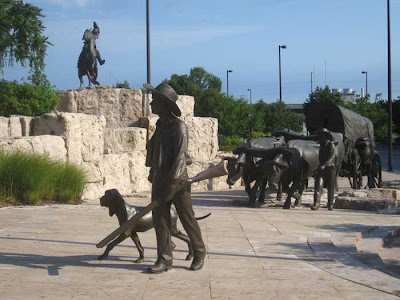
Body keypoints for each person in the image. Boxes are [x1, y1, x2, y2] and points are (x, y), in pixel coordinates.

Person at [144, 83, 206, 274]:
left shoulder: (179, 126)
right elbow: (156, 152)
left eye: (155, 100)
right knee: (160, 219)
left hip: (177, 182)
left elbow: (180, 157)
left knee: (187, 218)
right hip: (160, 178)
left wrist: (172, 184)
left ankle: (199, 252)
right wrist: (153, 173)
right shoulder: (160, 125)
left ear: (163, 103)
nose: (151, 104)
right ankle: (164, 258)